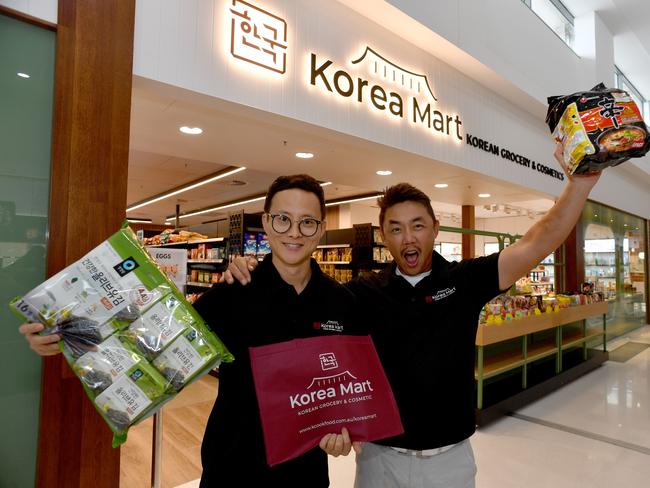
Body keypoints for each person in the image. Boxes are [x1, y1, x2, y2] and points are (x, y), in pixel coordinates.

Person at [224, 144, 601, 487]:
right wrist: (249, 270)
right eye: (396, 229)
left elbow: (539, 239)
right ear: (384, 237)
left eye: (418, 226)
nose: (408, 238)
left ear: (435, 229)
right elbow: (307, 318)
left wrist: (580, 183)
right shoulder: (363, 292)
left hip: (449, 462)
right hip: (379, 461)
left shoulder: (465, 281)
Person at [19, 174, 361, 487]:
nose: (294, 232)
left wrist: (344, 430)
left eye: (307, 223)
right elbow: (151, 341)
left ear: (321, 229)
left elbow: (350, 388)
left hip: (305, 474)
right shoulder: (232, 291)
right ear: (267, 224)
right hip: (232, 467)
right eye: (283, 219)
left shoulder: (342, 303)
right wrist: (67, 336)